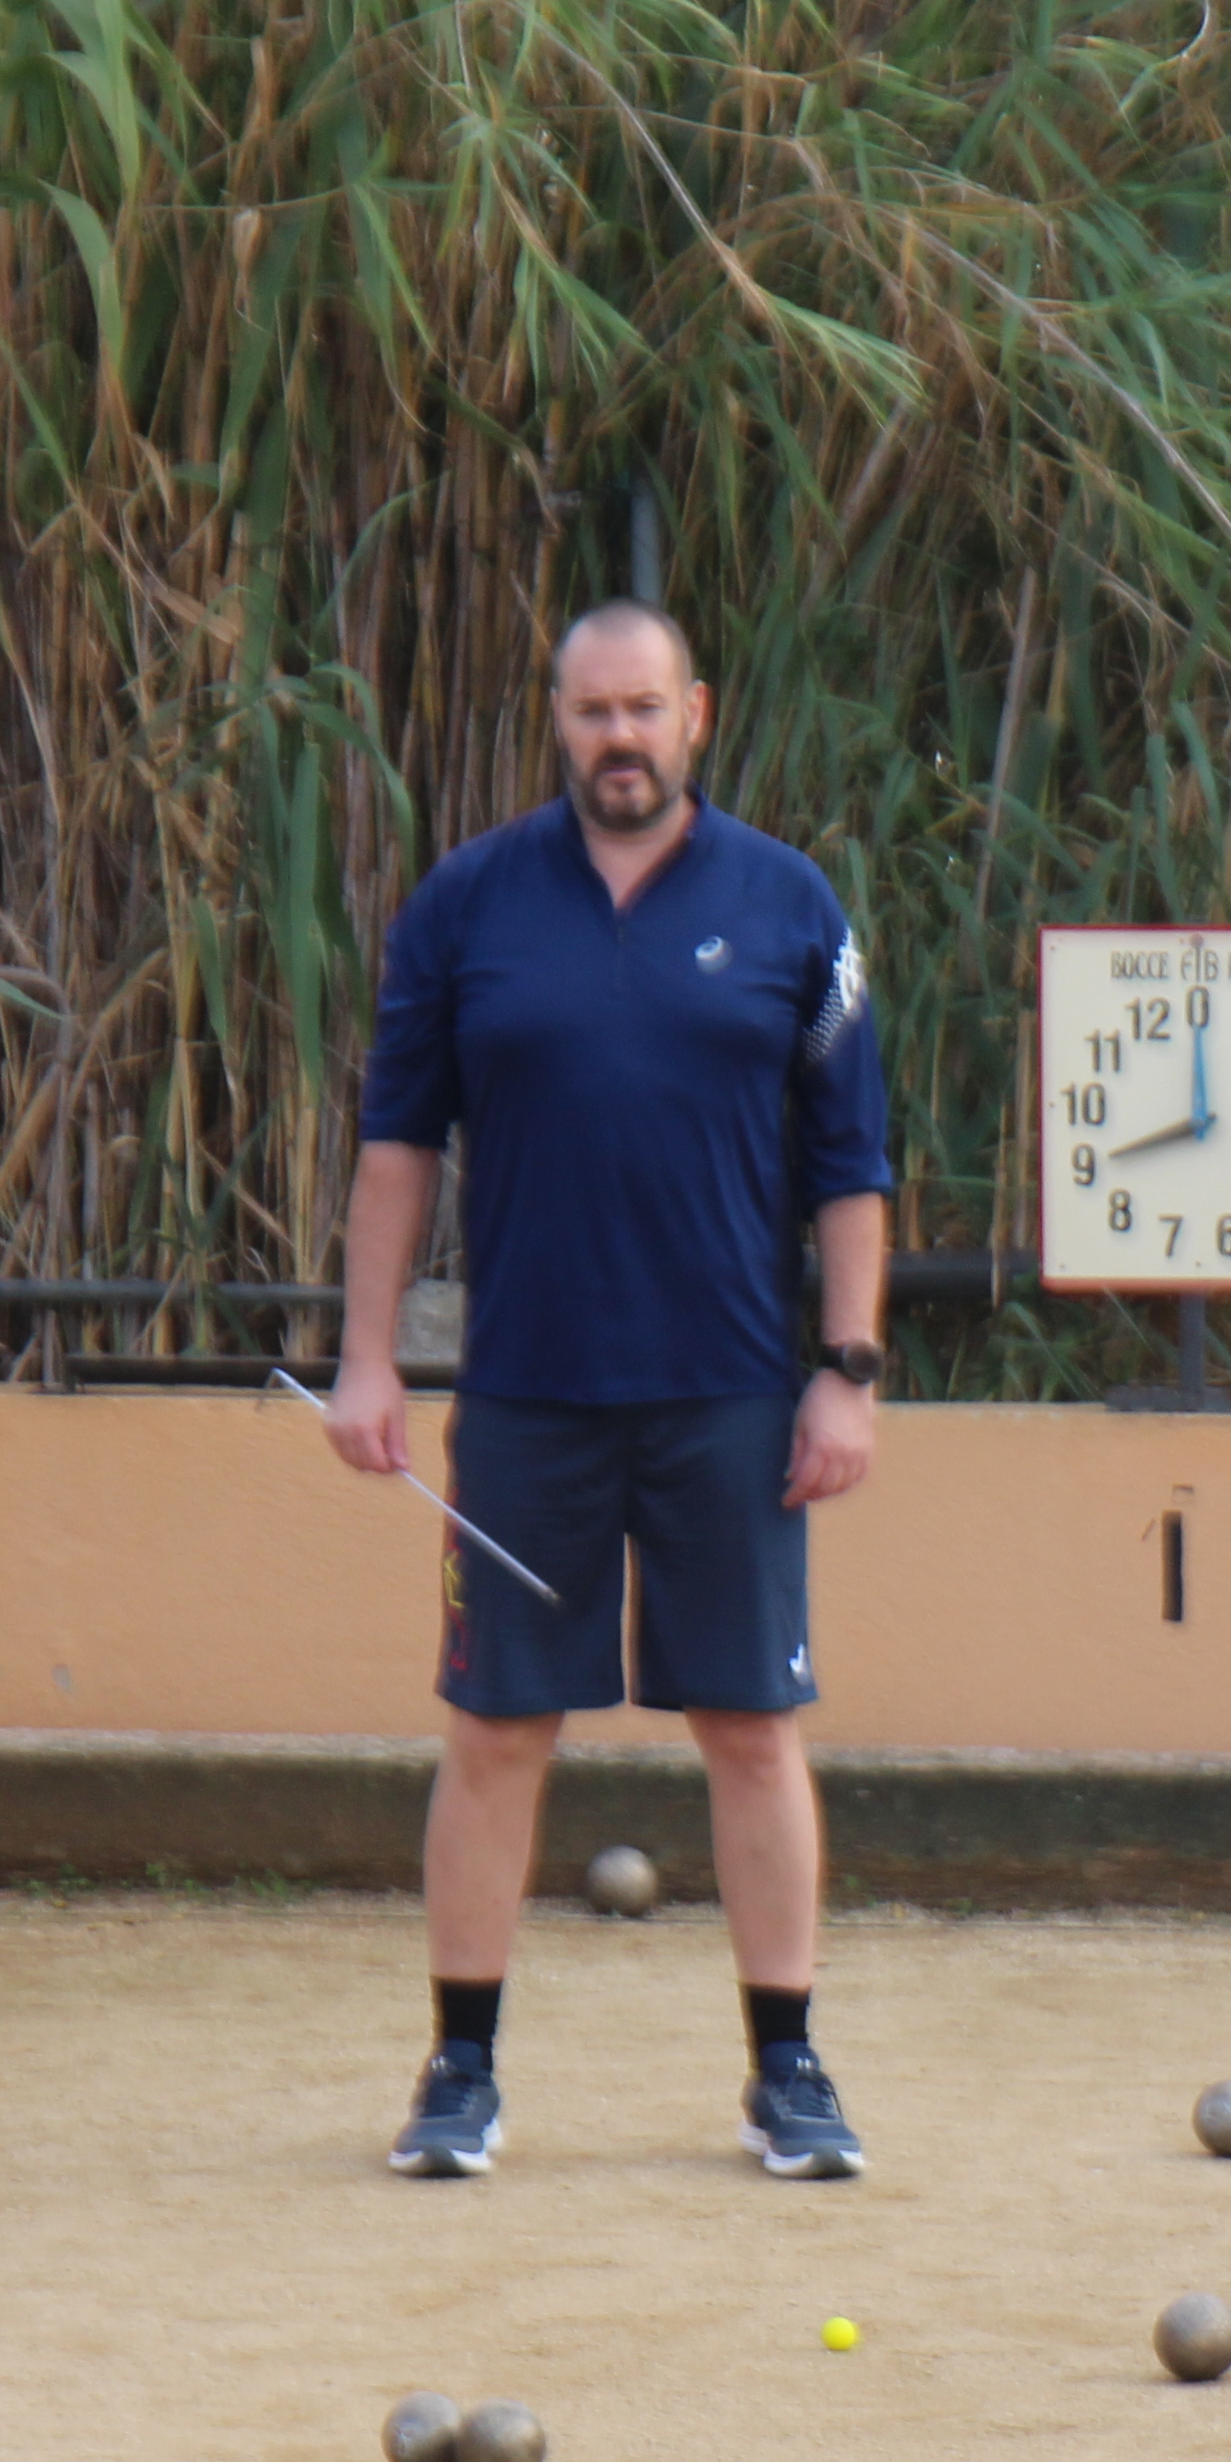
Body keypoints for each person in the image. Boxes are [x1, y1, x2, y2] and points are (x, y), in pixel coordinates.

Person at [319, 603, 895, 2180]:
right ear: (556, 718)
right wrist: (369, 1359)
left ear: (695, 713)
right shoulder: (466, 906)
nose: (618, 740)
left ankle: (788, 2074)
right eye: (591, 714)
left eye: (644, 710)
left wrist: (845, 1374)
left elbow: (853, 1171)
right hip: (528, 1399)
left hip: (731, 1398)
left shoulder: (795, 911)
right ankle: (458, 2073)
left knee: (753, 1728)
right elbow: (395, 1151)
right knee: (498, 1731)